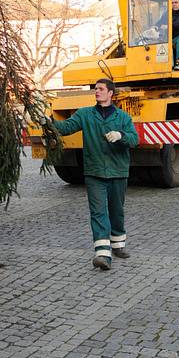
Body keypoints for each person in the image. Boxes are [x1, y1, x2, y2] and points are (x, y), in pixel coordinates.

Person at [47, 78, 138, 271]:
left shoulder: (122, 117)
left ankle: (118, 244)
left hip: (118, 171)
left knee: (116, 210)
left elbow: (134, 139)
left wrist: (120, 136)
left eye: (100, 89)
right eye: (95, 89)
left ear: (110, 93)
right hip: (94, 172)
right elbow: (66, 128)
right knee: (98, 212)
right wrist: (49, 122)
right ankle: (103, 254)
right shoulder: (85, 114)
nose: (97, 92)